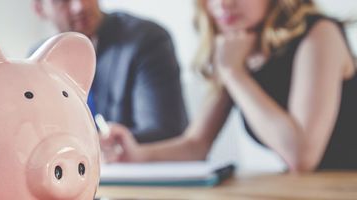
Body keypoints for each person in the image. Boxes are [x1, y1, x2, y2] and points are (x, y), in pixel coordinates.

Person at [100, 0, 357, 172]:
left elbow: (302, 156)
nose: (223, 4)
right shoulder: (239, 46)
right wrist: (134, 155)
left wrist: (234, 73)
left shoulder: (320, 34)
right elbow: (196, 145)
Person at [33, 0, 188, 143]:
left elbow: (164, 131)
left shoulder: (147, 40)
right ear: (39, 8)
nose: (80, 6)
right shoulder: (38, 60)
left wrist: (92, 146)